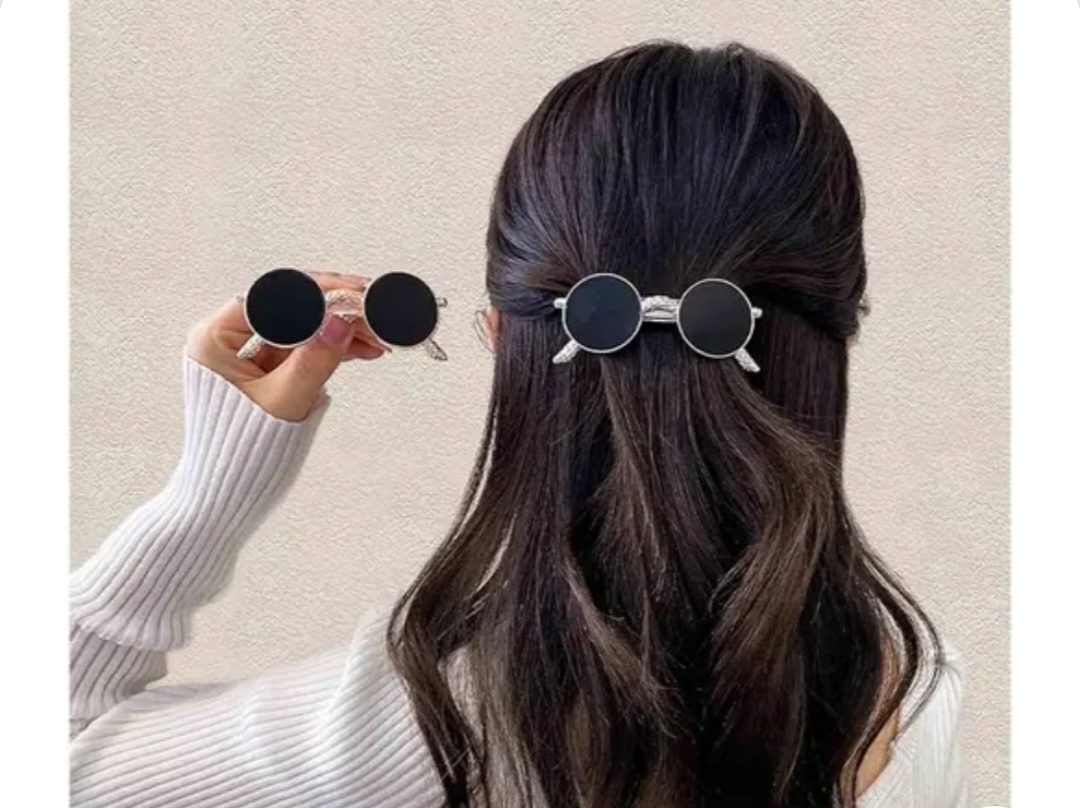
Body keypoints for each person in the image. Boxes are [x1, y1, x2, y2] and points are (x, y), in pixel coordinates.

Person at [69, 41, 966, 808]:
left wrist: (209, 489)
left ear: (504, 337)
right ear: (841, 337)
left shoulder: (439, 718)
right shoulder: (920, 695)